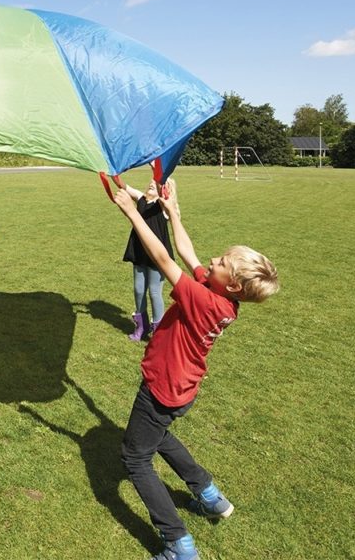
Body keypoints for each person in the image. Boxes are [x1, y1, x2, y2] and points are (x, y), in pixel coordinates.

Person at [113, 186, 278, 560]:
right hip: (183, 387)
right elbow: (186, 253)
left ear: (232, 284)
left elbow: (163, 257)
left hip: (163, 386)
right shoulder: (223, 299)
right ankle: (207, 494)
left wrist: (132, 213)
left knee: (135, 459)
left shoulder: (201, 299)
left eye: (220, 262)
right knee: (160, 435)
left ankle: (178, 543)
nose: (213, 260)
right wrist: (175, 214)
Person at [121, 177, 178, 341]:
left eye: (157, 184)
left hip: (157, 255)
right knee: (139, 290)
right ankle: (141, 326)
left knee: (154, 292)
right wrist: (113, 172)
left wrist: (161, 176)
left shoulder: (164, 207)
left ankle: (158, 332)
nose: (152, 184)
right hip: (139, 253)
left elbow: (166, 198)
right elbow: (124, 186)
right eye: (151, 182)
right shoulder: (141, 199)